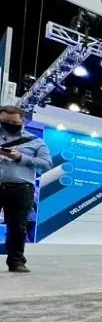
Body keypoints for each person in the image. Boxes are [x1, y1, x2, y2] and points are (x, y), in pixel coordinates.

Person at [0, 105, 52, 273]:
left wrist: (21, 157)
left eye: (13, 122)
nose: (9, 124)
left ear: (22, 121)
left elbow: (47, 163)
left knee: (18, 226)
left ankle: (16, 261)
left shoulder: (35, 141)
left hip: (21, 188)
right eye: (5, 121)